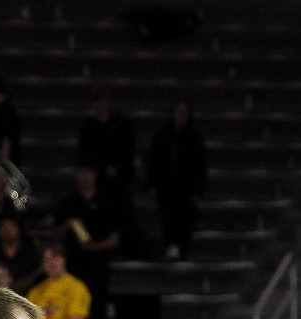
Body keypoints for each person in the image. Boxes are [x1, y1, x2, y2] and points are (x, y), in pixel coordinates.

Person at [54, 167, 124, 319]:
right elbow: (56, 234)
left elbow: (115, 238)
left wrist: (94, 247)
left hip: (98, 264)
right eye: (82, 173)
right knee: (72, 305)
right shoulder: (69, 203)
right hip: (74, 264)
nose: (85, 177)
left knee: (98, 304)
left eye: (89, 173)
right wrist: (68, 225)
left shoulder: (107, 202)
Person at [147, 100, 206, 261]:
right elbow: (154, 160)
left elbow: (200, 165)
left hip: (186, 189)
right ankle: (171, 244)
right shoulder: (163, 134)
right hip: (166, 187)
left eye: (183, 112)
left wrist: (198, 190)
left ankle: (183, 249)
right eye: (178, 111)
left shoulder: (194, 138)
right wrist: (152, 184)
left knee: (185, 220)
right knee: (168, 217)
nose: (180, 115)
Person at [77, 87, 136, 213]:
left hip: (119, 181)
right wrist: (101, 169)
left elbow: (128, 150)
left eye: (105, 100)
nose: (102, 104)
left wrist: (118, 168)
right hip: (97, 181)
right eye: (99, 101)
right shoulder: (89, 127)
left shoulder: (121, 124)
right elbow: (85, 154)